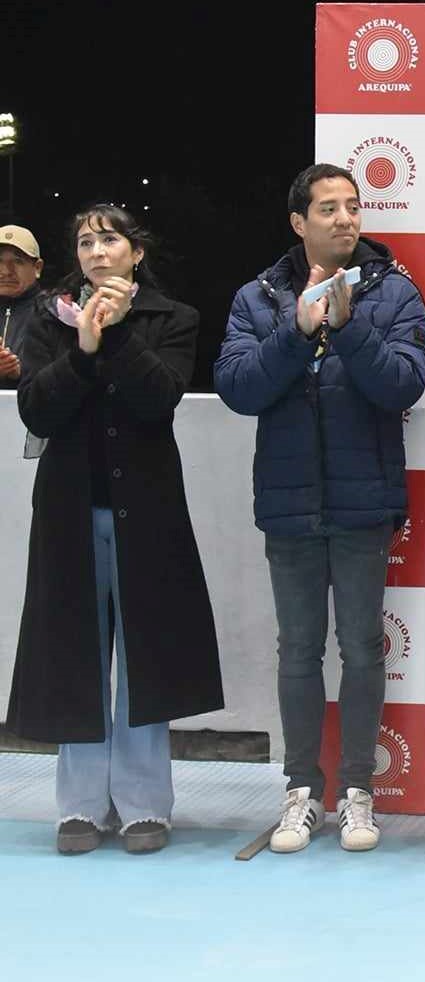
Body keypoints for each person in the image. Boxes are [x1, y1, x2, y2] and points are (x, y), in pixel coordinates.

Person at [214, 163, 425, 854]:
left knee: (363, 649)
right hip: (289, 508)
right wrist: (297, 329)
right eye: (328, 208)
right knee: (298, 650)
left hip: (364, 504)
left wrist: (345, 328)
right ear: (298, 222)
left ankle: (359, 792)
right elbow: (238, 388)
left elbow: (403, 384)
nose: (344, 218)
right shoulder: (260, 297)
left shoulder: (394, 290)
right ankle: (302, 791)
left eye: (353, 205)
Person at [9, 205, 223, 854]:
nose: (97, 251)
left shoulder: (172, 318)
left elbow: (159, 398)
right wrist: (83, 352)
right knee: (76, 651)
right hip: (70, 514)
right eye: (85, 242)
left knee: (143, 657)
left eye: (110, 239)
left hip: (146, 515)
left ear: (135, 252)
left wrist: (121, 335)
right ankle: (78, 805)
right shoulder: (51, 319)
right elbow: (37, 410)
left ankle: (143, 804)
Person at [1, 223, 45, 388]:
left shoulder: (54, 312)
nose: (6, 271)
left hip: (34, 410)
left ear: (37, 267)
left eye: (18, 261)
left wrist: (19, 372)